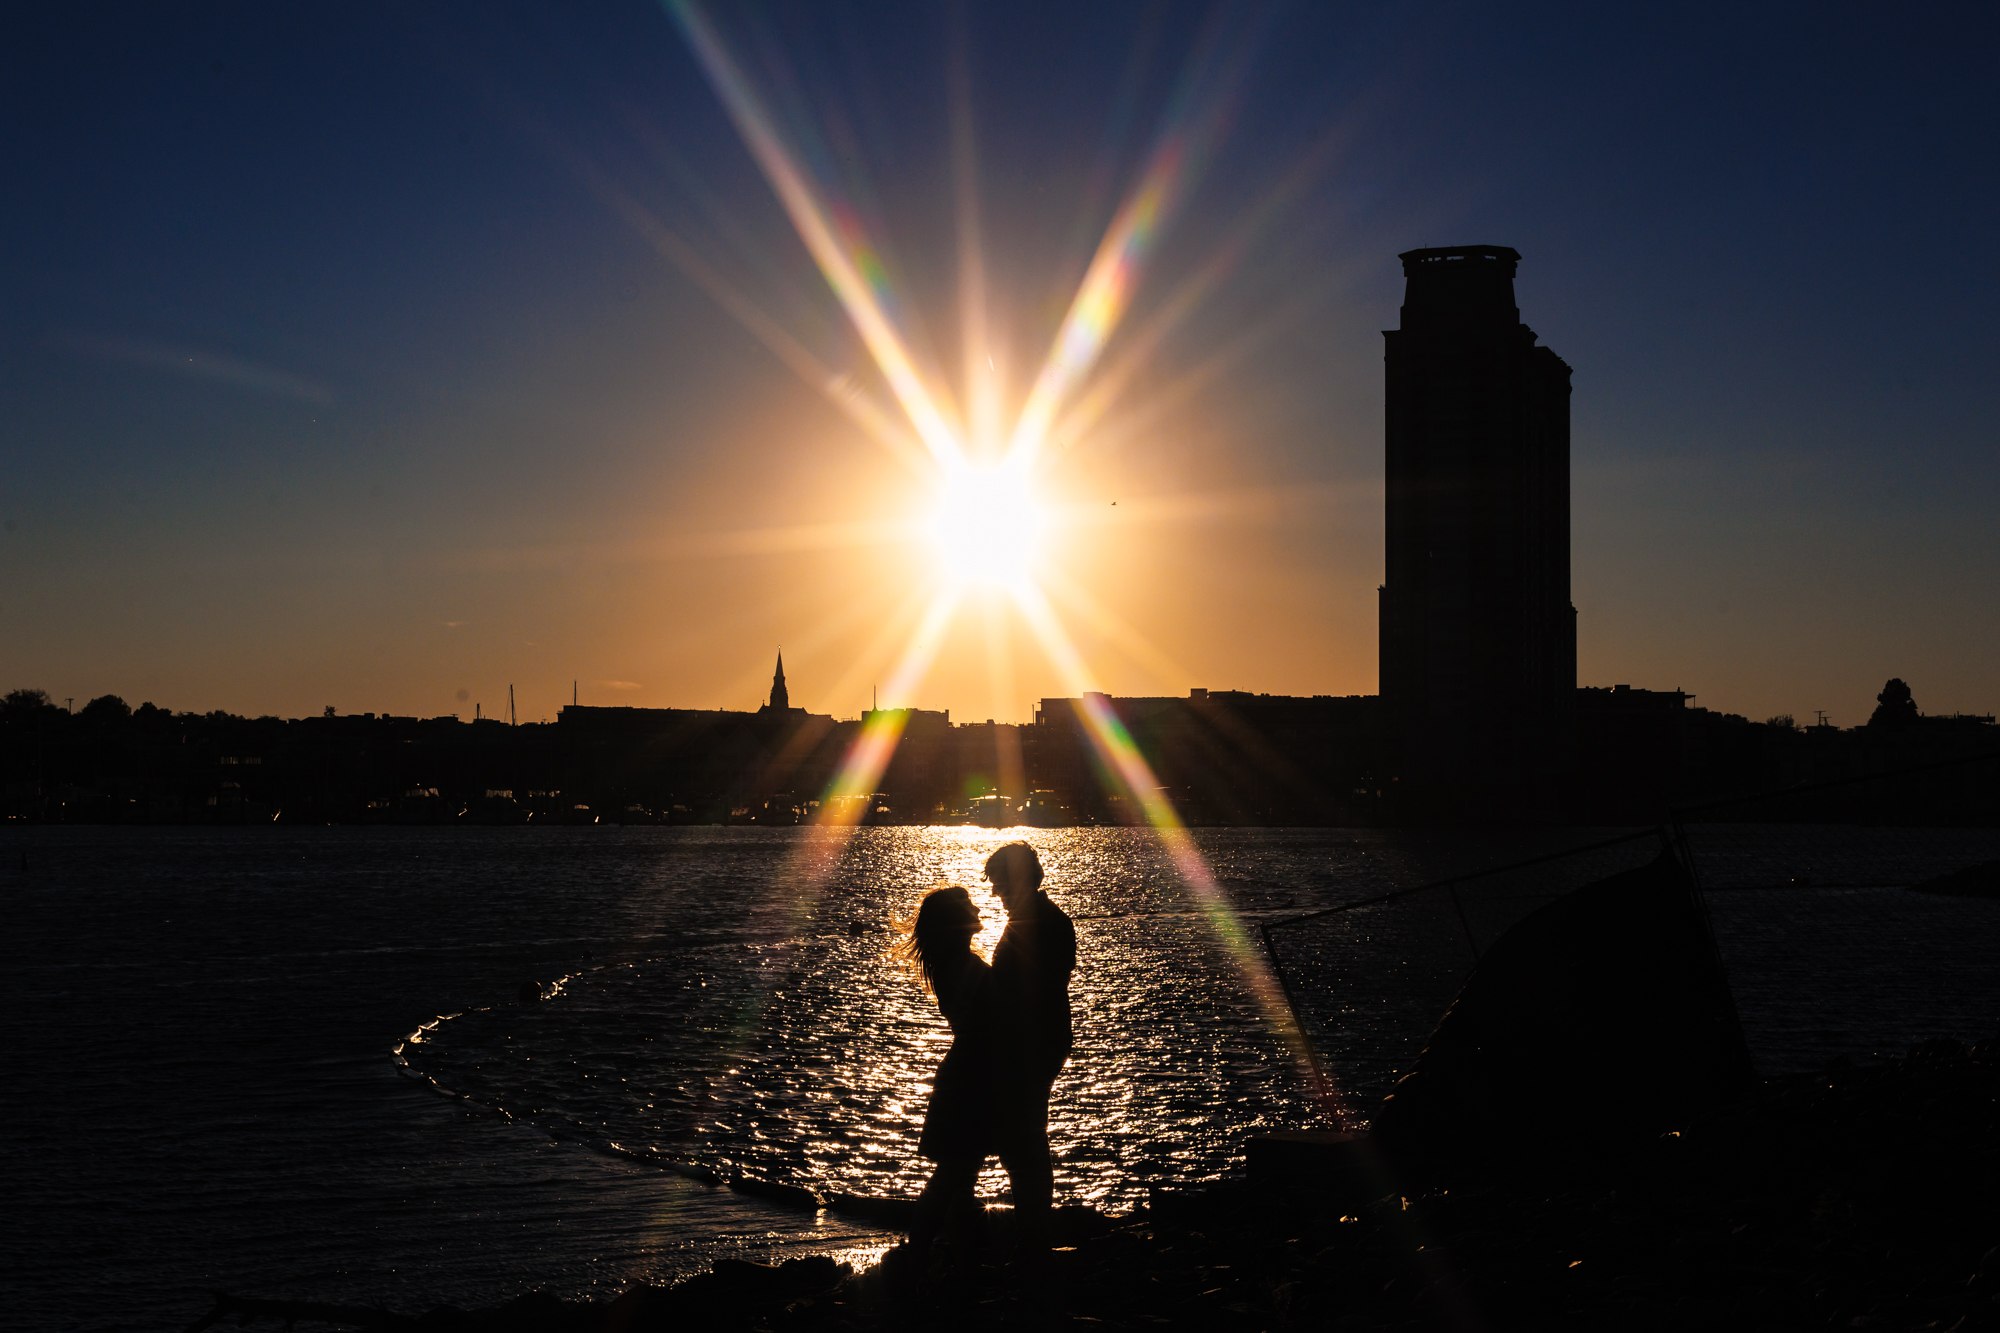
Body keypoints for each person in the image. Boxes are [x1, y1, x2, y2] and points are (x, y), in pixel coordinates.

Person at [983, 841, 1075, 1262]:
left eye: (1000, 884)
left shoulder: (1037, 922)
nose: (996, 894)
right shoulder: (1039, 918)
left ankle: (1033, 1239)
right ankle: (1033, 1233)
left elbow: (1026, 988)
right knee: (1025, 1138)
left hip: (1032, 1044)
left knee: (1024, 1142)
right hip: (1042, 1039)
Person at [897, 885, 993, 1269]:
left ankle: (956, 1257)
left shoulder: (954, 963)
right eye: (967, 905)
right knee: (954, 1173)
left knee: (960, 1175)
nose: (977, 907)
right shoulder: (960, 967)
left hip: (968, 1072)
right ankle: (917, 1253)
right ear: (955, 921)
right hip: (971, 1076)